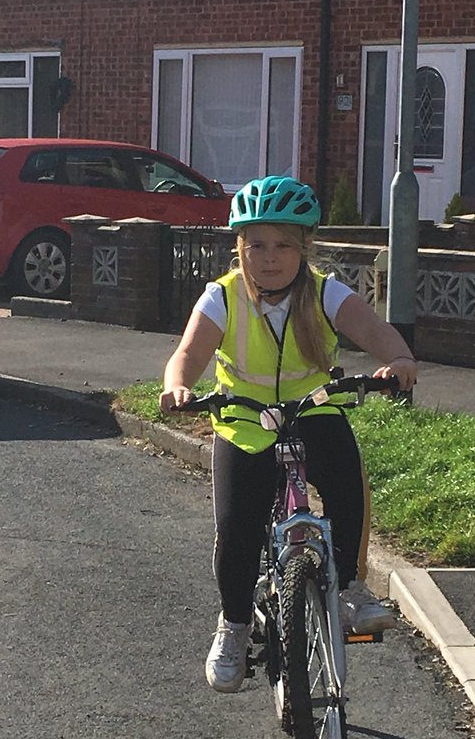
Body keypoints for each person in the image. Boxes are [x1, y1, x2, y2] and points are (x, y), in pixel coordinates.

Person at [160, 175, 418, 694]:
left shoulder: (324, 292)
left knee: (348, 486)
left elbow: (375, 331)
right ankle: (233, 626)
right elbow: (187, 354)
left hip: (313, 411)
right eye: (256, 244)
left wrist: (399, 359)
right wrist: (179, 386)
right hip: (245, 421)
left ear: (304, 248)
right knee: (236, 528)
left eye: (283, 245)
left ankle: (349, 586)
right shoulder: (224, 296)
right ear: (240, 248)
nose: (269, 257)